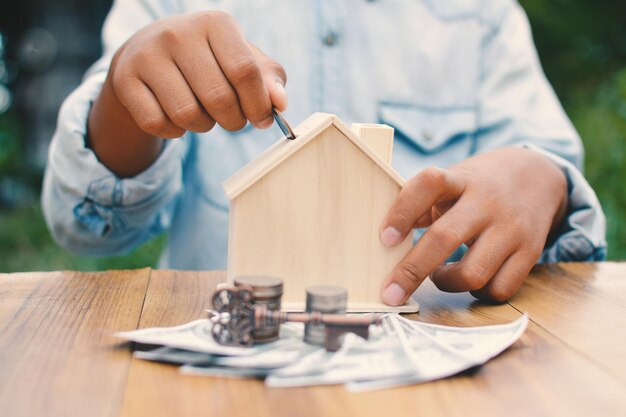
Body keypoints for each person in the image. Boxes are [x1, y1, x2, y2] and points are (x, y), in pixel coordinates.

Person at [42, 0, 606, 306]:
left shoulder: (482, 12)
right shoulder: (165, 5)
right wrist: (121, 93)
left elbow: (547, 170)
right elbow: (86, 227)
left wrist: (543, 177)